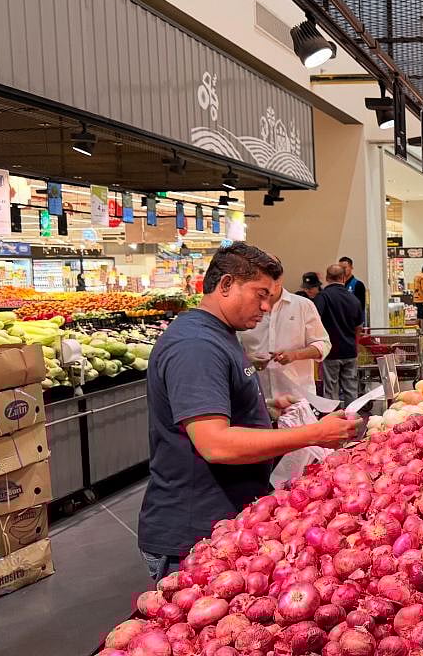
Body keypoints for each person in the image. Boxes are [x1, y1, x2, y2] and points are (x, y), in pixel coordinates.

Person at [139, 243, 358, 581]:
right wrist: (314, 434)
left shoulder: (221, 335)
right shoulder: (195, 346)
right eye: (260, 294)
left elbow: (215, 413)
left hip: (222, 522)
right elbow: (216, 444)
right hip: (194, 533)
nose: (267, 307)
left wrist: (265, 410)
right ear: (225, 285)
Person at [238, 278, 330, 406]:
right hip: (258, 398)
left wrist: (295, 355)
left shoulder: (303, 305)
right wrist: (249, 360)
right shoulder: (244, 308)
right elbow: (234, 349)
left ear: (280, 278)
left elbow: (324, 344)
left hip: (297, 399)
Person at [316, 263, 365, 406]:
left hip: (330, 352)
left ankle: (333, 420)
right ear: (343, 278)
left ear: (327, 278)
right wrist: (354, 344)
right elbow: (359, 326)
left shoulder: (323, 297)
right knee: (351, 389)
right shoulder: (353, 299)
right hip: (350, 351)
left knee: (331, 390)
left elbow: (315, 320)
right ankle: (352, 419)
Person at [338, 256, 367, 324]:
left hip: (353, 322)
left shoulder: (358, 284)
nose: (342, 270)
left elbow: (360, 306)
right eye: (340, 268)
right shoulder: (338, 285)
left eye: (345, 268)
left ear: (351, 267)